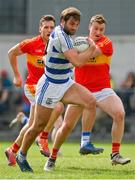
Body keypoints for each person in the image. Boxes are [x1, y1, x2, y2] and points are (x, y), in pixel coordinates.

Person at [15, 6, 98, 173]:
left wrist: (84, 49)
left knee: (90, 101)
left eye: (76, 25)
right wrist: (92, 49)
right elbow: (78, 62)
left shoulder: (65, 35)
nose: (74, 27)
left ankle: (85, 142)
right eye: (71, 24)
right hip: (50, 85)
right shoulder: (62, 37)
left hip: (65, 82)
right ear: (63, 22)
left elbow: (75, 58)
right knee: (38, 126)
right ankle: (21, 155)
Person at [45, 14, 131, 171]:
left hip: (103, 90)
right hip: (80, 91)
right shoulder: (77, 42)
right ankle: (52, 158)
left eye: (101, 29)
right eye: (96, 28)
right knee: (66, 127)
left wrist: (78, 54)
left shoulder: (106, 42)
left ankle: (115, 154)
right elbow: (72, 60)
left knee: (119, 114)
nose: (98, 32)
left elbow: (92, 53)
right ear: (89, 28)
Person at [5, 15, 63, 166]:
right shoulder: (32, 43)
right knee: (57, 107)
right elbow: (11, 52)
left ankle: (12, 149)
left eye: (51, 27)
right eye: (46, 27)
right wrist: (17, 76)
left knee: (32, 125)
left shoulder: (57, 44)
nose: (49, 30)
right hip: (33, 87)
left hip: (48, 88)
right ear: (40, 28)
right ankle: (43, 137)